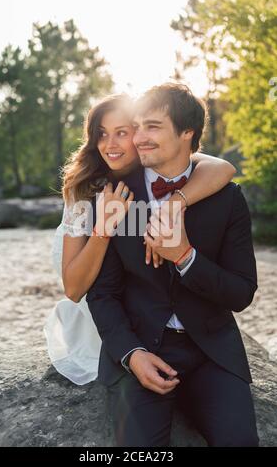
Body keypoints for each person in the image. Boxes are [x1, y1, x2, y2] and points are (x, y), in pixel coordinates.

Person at [85, 84, 259, 447]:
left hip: (211, 350)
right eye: (137, 125)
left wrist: (185, 257)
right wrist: (132, 355)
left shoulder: (228, 199)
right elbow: (102, 293)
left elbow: (241, 292)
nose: (138, 138)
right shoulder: (119, 197)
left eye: (152, 127)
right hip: (142, 346)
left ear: (187, 133)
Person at [44, 92, 236, 386]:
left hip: (152, 309)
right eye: (102, 134)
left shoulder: (156, 164)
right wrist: (104, 227)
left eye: (122, 133)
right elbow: (73, 288)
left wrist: (168, 209)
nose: (110, 145)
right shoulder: (83, 190)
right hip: (103, 313)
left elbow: (223, 168)